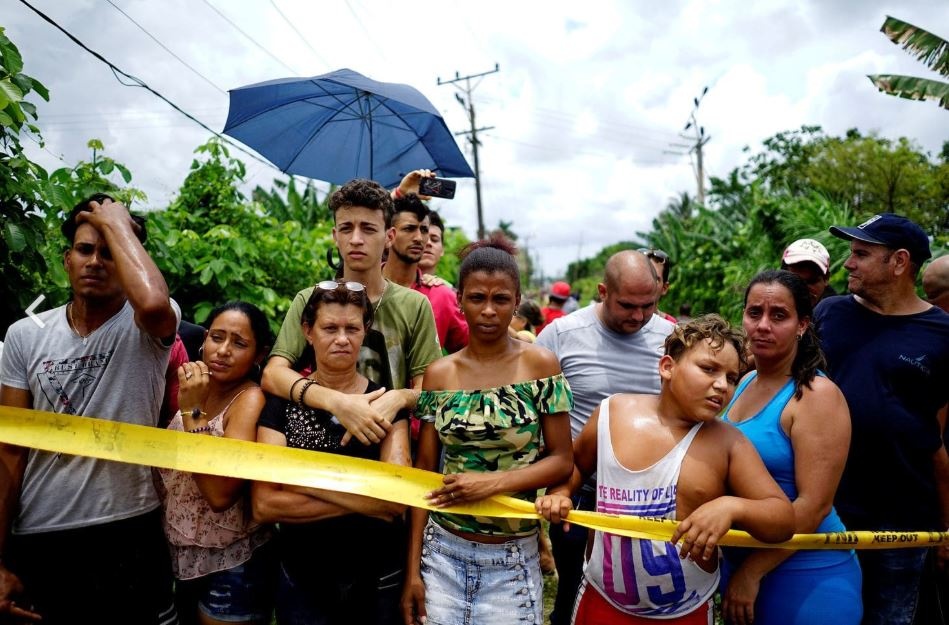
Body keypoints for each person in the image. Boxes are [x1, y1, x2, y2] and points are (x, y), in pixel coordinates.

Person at [537, 314, 795, 624]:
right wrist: (562, 491)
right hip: (601, 601)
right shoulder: (613, 413)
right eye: (709, 369)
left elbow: (782, 519)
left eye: (731, 377)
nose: (721, 385)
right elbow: (576, 464)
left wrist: (732, 507)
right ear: (667, 367)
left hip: (688, 610)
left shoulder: (728, 444)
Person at [0, 194, 180, 625]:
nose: (96, 262)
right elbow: (9, 451)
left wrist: (115, 219)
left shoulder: (147, 325)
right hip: (43, 533)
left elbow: (154, 303)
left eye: (110, 252)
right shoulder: (25, 335)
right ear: (66, 260)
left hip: (129, 528)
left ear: (131, 259)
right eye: (85, 250)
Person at [400, 237, 574, 625]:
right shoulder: (440, 374)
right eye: (477, 298)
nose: (489, 311)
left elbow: (562, 461)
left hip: (512, 558)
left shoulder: (541, 365)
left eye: (501, 299)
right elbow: (423, 475)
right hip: (442, 553)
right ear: (459, 299)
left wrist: (490, 484)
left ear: (517, 301)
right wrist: (413, 572)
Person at [814, 213, 949, 625]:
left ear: (899, 262)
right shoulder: (829, 314)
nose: (847, 264)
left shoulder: (942, 333)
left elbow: (938, 435)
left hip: (903, 524)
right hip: (822, 511)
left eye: (860, 254)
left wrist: (945, 529)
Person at [254, 282, 410, 625]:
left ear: (365, 332)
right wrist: (366, 496)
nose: (342, 338)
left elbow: (396, 500)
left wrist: (296, 481)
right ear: (307, 331)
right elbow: (265, 504)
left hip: (378, 577)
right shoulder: (280, 404)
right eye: (329, 328)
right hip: (302, 579)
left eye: (352, 328)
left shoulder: (385, 405)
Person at [536, 249, 675, 625]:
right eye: (627, 305)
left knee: (640, 597)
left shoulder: (672, 339)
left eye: (649, 305)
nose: (639, 316)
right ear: (602, 291)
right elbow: (530, 404)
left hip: (650, 497)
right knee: (573, 592)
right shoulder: (561, 335)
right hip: (579, 492)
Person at [721, 270, 862, 625]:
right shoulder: (746, 379)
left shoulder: (816, 396)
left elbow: (813, 507)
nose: (763, 325)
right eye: (755, 313)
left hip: (806, 577)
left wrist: (752, 571)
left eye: (778, 316)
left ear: (802, 325)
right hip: (744, 570)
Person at [262, 178, 441, 448]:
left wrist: (398, 398)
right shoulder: (309, 299)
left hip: (389, 438)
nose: (356, 239)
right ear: (335, 235)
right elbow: (273, 374)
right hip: (315, 439)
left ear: (389, 237)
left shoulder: (414, 305)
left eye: (368, 229)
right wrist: (337, 403)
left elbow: (432, 389)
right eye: (347, 228)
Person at [158, 301, 276, 625]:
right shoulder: (197, 386)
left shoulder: (250, 399)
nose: (223, 350)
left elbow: (220, 494)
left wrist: (193, 412)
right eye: (217, 337)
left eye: (239, 343)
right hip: (184, 556)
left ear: (259, 355)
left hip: (233, 563)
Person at [383, 190, 468, 353]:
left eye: (423, 230)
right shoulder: (367, 287)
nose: (419, 238)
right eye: (409, 229)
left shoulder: (443, 296)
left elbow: (475, 352)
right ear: (389, 234)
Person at [780, 238, 837, 307]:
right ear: (781, 278)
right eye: (795, 281)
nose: (804, 289)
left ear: (826, 279)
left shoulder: (836, 312)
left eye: (812, 281)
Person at [638, 247, 677, 323]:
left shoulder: (671, 327)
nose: (647, 284)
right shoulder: (617, 321)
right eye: (641, 277)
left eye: (655, 279)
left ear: (664, 288)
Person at [418, 210, 446, 279]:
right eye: (423, 237)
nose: (428, 243)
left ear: (442, 249)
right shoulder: (388, 285)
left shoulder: (449, 289)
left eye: (434, 239)